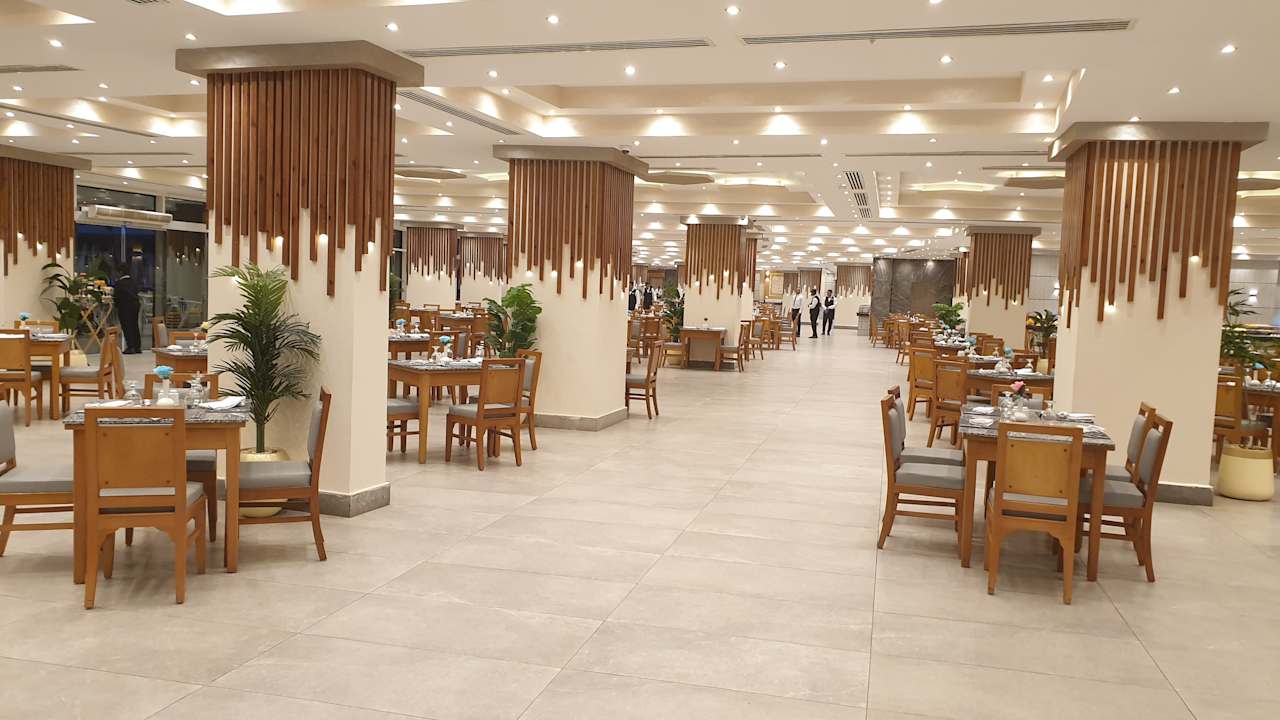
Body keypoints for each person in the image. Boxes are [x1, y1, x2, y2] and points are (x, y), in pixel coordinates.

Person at [114, 263, 142, 354]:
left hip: (125, 306)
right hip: (135, 305)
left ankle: (131, 346)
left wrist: (116, 306)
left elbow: (116, 297)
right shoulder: (133, 282)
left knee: (127, 326)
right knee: (134, 325)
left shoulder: (119, 283)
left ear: (120, 272)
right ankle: (137, 346)